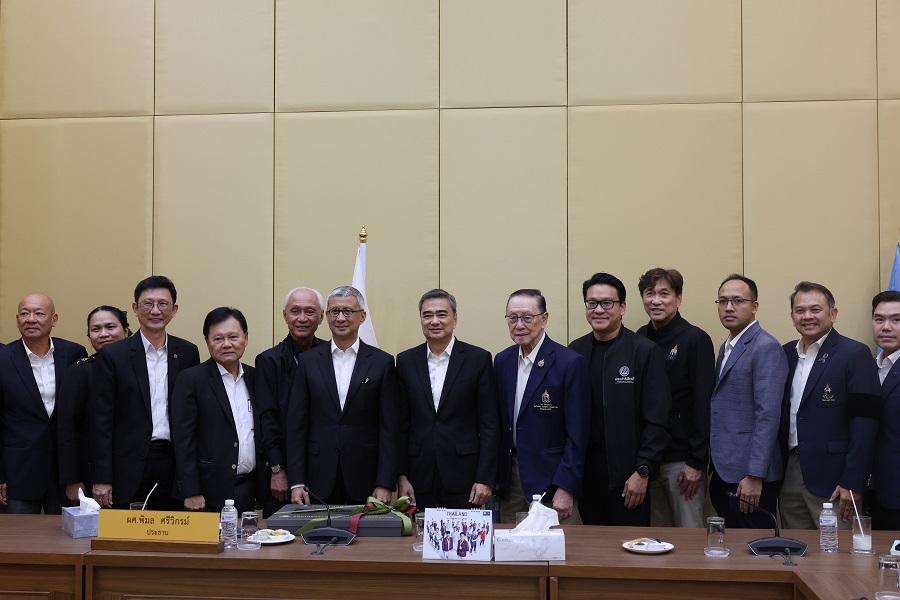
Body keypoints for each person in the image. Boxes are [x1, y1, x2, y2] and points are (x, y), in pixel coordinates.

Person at [569, 273, 671, 526]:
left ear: (622, 307)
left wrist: (643, 471)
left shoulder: (644, 351)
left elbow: (658, 419)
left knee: (632, 545)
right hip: (587, 476)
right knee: (593, 545)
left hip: (630, 476)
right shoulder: (575, 352)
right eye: (592, 303)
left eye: (607, 303)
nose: (598, 310)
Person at [91, 276, 200, 510]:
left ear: (174, 310)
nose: (155, 311)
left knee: (170, 529)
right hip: (127, 466)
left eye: (163, 304)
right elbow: (101, 420)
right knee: (126, 530)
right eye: (148, 304)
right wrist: (102, 477)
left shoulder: (187, 352)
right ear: (135, 308)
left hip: (173, 465)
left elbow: (192, 418)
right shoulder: (113, 355)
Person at [778, 281, 881, 529]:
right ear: (792, 317)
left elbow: (865, 424)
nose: (807, 316)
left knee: (838, 550)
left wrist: (853, 481)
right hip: (790, 474)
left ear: (833, 314)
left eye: (816, 309)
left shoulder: (855, 354)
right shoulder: (786, 354)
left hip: (836, 480)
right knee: (797, 547)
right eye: (800, 310)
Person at [287, 286, 400, 505]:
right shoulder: (308, 362)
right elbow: (296, 426)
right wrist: (296, 481)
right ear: (326, 316)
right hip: (317, 476)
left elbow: (389, 428)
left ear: (362, 316)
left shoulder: (382, 362)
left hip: (365, 475)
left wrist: (385, 482)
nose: (340, 318)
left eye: (348, 311)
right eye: (334, 311)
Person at [396, 289, 500, 509]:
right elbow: (401, 425)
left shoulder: (478, 359)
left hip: (466, 478)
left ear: (455, 318)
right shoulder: (405, 361)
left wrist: (485, 478)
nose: (434, 321)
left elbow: (490, 425)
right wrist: (401, 477)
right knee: (420, 532)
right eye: (427, 315)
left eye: (442, 314)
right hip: (418, 478)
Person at [495, 289, 589, 524]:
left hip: (553, 480)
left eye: (527, 317)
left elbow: (579, 434)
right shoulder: (503, 361)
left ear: (544, 319)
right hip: (511, 480)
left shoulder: (569, 362)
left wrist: (566, 486)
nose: (519, 325)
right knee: (510, 544)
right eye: (512, 318)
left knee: (556, 545)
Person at [172, 307, 275, 515]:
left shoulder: (255, 377)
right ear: (207, 341)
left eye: (233, 337)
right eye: (218, 338)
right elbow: (183, 441)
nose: (227, 344)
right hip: (206, 492)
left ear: (246, 338)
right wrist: (191, 490)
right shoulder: (191, 379)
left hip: (248, 488)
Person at [636, 268, 715, 528]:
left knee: (689, 536)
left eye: (664, 294)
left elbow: (704, 404)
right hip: (649, 460)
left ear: (678, 299)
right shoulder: (639, 337)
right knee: (656, 540)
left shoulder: (695, 339)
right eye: (650, 294)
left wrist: (696, 462)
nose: (656, 301)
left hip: (682, 461)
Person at [709, 274, 788, 528]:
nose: (728, 307)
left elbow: (767, 414)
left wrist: (755, 474)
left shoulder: (765, 347)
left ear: (754, 306)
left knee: (754, 544)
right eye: (722, 301)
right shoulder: (727, 346)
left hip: (751, 476)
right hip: (725, 469)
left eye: (737, 301)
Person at [0, 293, 88, 513]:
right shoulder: (3, 358)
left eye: (39, 313)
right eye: (24, 314)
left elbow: (84, 416)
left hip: (66, 473)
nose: (31, 319)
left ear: (54, 319)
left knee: (67, 533)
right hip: (18, 472)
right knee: (19, 534)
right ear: (17, 319)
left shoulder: (74, 353)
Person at [254, 287, 327, 516]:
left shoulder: (330, 355)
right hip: (283, 471)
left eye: (310, 312)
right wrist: (278, 469)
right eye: (295, 311)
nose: (302, 318)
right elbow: (267, 420)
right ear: (285, 315)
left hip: (324, 468)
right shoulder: (269, 361)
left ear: (321, 317)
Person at [57, 306, 131, 506]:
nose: (103, 334)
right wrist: (72, 479)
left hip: (135, 470)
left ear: (126, 331)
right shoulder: (80, 372)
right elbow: (67, 429)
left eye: (110, 327)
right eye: (96, 329)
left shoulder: (142, 368)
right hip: (92, 474)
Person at [871, 290, 900, 529]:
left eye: (896, 320)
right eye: (879, 319)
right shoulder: (870, 367)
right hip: (872, 492)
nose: (886, 327)